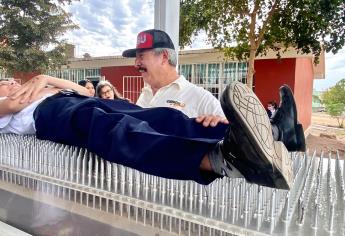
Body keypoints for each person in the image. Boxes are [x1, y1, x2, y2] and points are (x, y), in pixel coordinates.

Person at [2, 74, 293, 189]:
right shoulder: (10, 101)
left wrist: (43, 78)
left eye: (15, 79)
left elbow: (81, 89)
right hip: (54, 114)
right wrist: (31, 90)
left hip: (80, 101)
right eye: (6, 81)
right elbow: (12, 105)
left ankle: (278, 132)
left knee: (163, 115)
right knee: (113, 128)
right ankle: (223, 158)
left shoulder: (40, 86)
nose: (14, 82)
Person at [122, 29, 306, 150]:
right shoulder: (144, 95)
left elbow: (233, 146)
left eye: (141, 56)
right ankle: (278, 132)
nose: (136, 63)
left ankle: (276, 133)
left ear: (163, 57)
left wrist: (219, 123)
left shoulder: (199, 97)